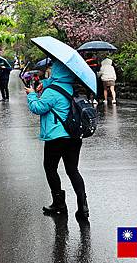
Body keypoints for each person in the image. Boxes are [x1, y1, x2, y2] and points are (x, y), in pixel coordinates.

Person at [25, 61, 89, 221]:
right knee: (73, 170)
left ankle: (59, 204)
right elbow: (56, 87)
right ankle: (83, 206)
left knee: (50, 168)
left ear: (57, 72)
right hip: (74, 136)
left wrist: (31, 94)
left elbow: (37, 108)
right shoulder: (73, 87)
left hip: (56, 137)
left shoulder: (52, 91)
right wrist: (44, 84)